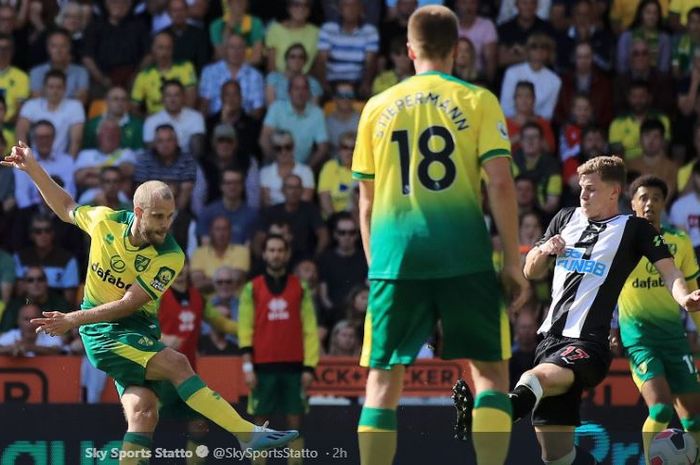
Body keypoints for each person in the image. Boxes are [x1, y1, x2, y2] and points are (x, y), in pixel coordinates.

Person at [1, 141, 299, 460]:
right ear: (139, 212)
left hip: (139, 328)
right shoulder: (105, 222)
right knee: (178, 363)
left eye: (170, 217)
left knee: (143, 414)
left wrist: (70, 319)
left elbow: (131, 303)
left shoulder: (170, 255)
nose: (165, 225)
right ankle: (245, 434)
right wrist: (33, 168)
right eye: (158, 216)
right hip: (104, 331)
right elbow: (65, 206)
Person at [351, 6, 529, 465]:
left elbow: (366, 202)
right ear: (456, 50)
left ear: (409, 50)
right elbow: (502, 184)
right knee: (490, 374)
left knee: (383, 380)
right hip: (463, 254)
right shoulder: (479, 100)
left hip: (395, 256)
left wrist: (378, 269)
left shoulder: (376, 107)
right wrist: (511, 261)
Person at [458, 156, 700, 465]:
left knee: (534, 378)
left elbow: (670, 272)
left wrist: (683, 298)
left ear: (614, 192)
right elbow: (530, 269)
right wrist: (545, 249)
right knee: (556, 456)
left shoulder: (634, 228)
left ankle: (500, 414)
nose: (583, 196)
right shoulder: (564, 218)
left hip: (588, 344)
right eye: (581, 189)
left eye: (591, 190)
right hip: (549, 342)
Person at [614, 175, 700, 463]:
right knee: (661, 410)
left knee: (694, 418)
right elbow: (606, 287)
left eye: (656, 197)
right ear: (633, 203)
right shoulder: (620, 242)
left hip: (674, 338)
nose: (650, 202)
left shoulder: (680, 242)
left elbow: (694, 292)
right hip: (639, 338)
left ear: (664, 204)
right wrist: (611, 325)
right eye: (643, 197)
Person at [238, 233, 319, 460]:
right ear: (264, 254)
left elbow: (310, 330)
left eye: (280, 250)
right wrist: (247, 367)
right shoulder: (251, 288)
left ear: (287, 254)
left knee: (294, 424)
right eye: (271, 250)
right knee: (260, 426)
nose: (276, 254)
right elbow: (245, 330)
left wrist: (309, 367)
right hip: (262, 367)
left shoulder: (300, 287)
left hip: (294, 366)